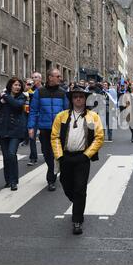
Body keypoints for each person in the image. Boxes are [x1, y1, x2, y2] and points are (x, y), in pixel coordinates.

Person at [51, 86, 104, 235]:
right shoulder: (61, 116)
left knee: (80, 189)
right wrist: (60, 155)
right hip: (65, 157)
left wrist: (87, 155)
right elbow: (54, 136)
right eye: (75, 97)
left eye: (81, 96)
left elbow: (99, 137)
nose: (78, 99)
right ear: (71, 99)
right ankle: (78, 204)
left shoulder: (93, 117)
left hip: (82, 158)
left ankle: (77, 220)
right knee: (67, 186)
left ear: (85, 99)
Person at [28, 68, 69, 191]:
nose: (60, 78)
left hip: (59, 130)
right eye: (58, 76)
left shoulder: (63, 93)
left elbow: (67, 111)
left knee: (56, 154)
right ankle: (52, 170)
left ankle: (51, 178)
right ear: (50, 77)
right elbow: (33, 111)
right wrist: (31, 127)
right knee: (47, 154)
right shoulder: (39, 92)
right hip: (44, 129)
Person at [0, 78, 27, 191]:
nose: (17, 87)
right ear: (10, 86)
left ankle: (14, 181)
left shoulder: (22, 97)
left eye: (19, 85)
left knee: (11, 154)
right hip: (2, 130)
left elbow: (17, 106)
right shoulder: (1, 97)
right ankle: (8, 180)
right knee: (6, 156)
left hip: (16, 130)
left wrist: (5, 96)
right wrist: (0, 102)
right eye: (15, 85)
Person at [26, 72, 43, 166]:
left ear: (40, 79)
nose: (34, 79)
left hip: (43, 115)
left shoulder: (44, 89)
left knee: (44, 137)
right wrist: (28, 89)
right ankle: (33, 157)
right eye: (32, 77)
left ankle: (47, 152)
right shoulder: (29, 89)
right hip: (33, 115)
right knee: (31, 136)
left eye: (36, 77)